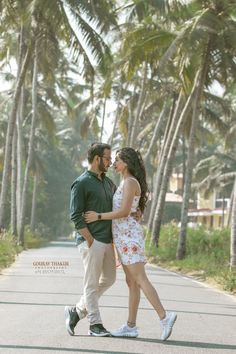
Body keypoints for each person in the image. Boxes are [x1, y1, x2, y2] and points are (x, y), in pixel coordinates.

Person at [85, 147, 177, 341]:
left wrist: (98, 216)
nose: (113, 163)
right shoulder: (125, 182)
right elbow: (132, 209)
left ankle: (164, 317)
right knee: (131, 282)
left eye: (117, 160)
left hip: (129, 238)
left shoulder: (130, 182)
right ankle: (131, 326)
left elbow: (124, 211)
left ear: (126, 162)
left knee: (140, 279)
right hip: (123, 238)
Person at [65, 142, 117, 337]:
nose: (110, 162)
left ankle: (77, 311)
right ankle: (95, 324)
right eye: (107, 158)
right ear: (97, 159)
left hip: (107, 241)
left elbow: (118, 207)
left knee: (110, 279)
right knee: (91, 283)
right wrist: (89, 239)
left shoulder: (108, 182)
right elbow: (75, 215)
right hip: (92, 241)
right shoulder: (81, 182)